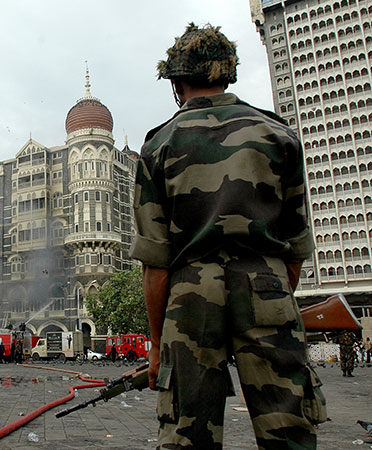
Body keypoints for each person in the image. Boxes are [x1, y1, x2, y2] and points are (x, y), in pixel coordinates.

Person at [131, 23, 326, 448]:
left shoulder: (159, 145)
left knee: (187, 432)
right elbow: (295, 248)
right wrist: (268, 286)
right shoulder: (278, 134)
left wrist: (157, 345)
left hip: (190, 294)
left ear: (176, 81)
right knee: (289, 428)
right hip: (267, 282)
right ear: (228, 74)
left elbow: (156, 262)